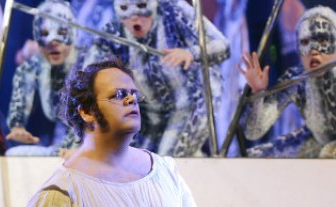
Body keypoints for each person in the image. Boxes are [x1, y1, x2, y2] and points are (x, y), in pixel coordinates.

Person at [16, 59, 215, 207]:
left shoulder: (164, 171)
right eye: (118, 95)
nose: (131, 99)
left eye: (133, 94)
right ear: (86, 112)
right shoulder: (60, 196)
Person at [238, 6, 336, 158]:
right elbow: (253, 132)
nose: (313, 49)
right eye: (306, 42)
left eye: (321, 40)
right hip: (322, 141)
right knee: (255, 155)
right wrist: (258, 93)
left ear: (335, 43)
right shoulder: (295, 78)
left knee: (334, 153)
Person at [77, 0, 230, 156]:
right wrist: (80, 145)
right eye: (125, 9)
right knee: (134, 160)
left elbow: (223, 45)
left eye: (141, 6)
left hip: (193, 102)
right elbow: (86, 81)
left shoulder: (174, 9)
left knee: (168, 158)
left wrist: (191, 53)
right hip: (149, 113)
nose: (135, 18)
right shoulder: (112, 32)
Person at [6, 0, 77, 156]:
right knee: (13, 155)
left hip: (85, 146)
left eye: (61, 33)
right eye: (45, 34)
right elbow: (22, 84)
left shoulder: (86, 64)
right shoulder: (35, 64)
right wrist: (18, 126)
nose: (53, 41)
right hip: (56, 142)